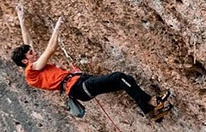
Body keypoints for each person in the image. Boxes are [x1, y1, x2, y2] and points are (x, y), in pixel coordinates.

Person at [12, 6, 172, 120]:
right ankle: (149, 105)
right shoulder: (30, 72)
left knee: (125, 80)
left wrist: (21, 19)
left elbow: (28, 43)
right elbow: (51, 49)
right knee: (118, 77)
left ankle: (153, 110)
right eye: (31, 53)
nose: (35, 52)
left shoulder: (31, 67)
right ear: (26, 61)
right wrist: (56, 28)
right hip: (77, 87)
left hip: (80, 82)